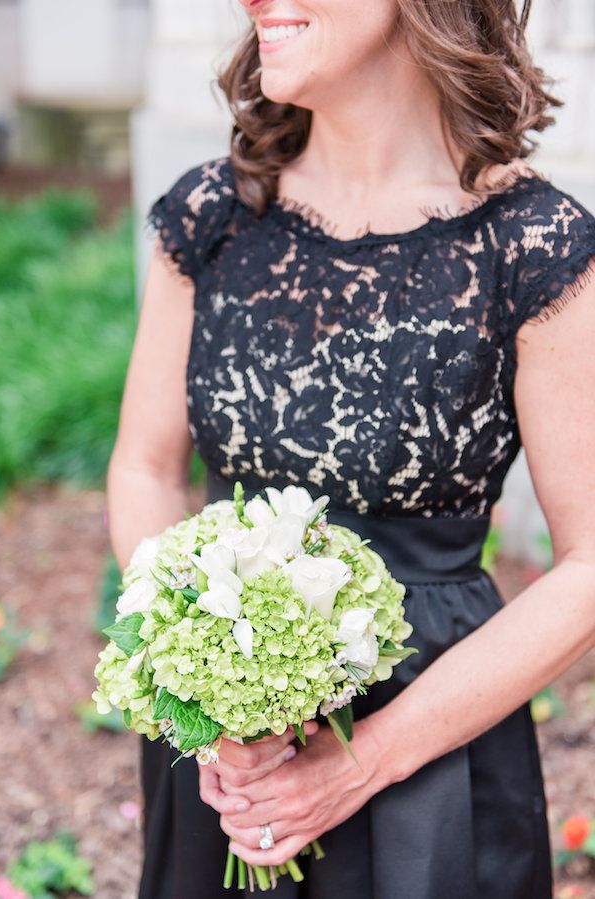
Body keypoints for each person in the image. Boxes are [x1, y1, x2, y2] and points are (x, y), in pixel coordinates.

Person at [105, 1, 595, 896]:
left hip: (434, 760)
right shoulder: (213, 216)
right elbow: (143, 466)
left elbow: (591, 563)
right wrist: (201, 672)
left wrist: (360, 762)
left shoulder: (531, 245)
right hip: (226, 759)